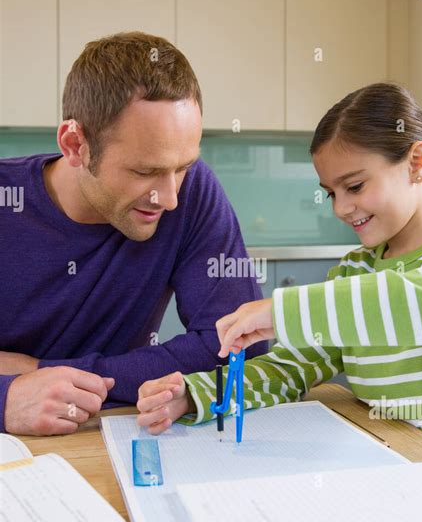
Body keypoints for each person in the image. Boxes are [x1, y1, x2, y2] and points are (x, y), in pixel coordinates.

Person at [136, 83, 422, 458]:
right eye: (331, 192)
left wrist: (284, 311)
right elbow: (289, 369)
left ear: (417, 163)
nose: (341, 208)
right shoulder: (355, 273)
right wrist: (197, 395)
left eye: (355, 186)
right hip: (393, 471)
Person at [0, 31, 266, 436]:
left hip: (112, 436)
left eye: (183, 166)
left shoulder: (192, 192)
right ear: (75, 145)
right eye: (144, 172)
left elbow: (244, 345)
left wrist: (41, 372)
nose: (172, 198)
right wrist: (6, 401)